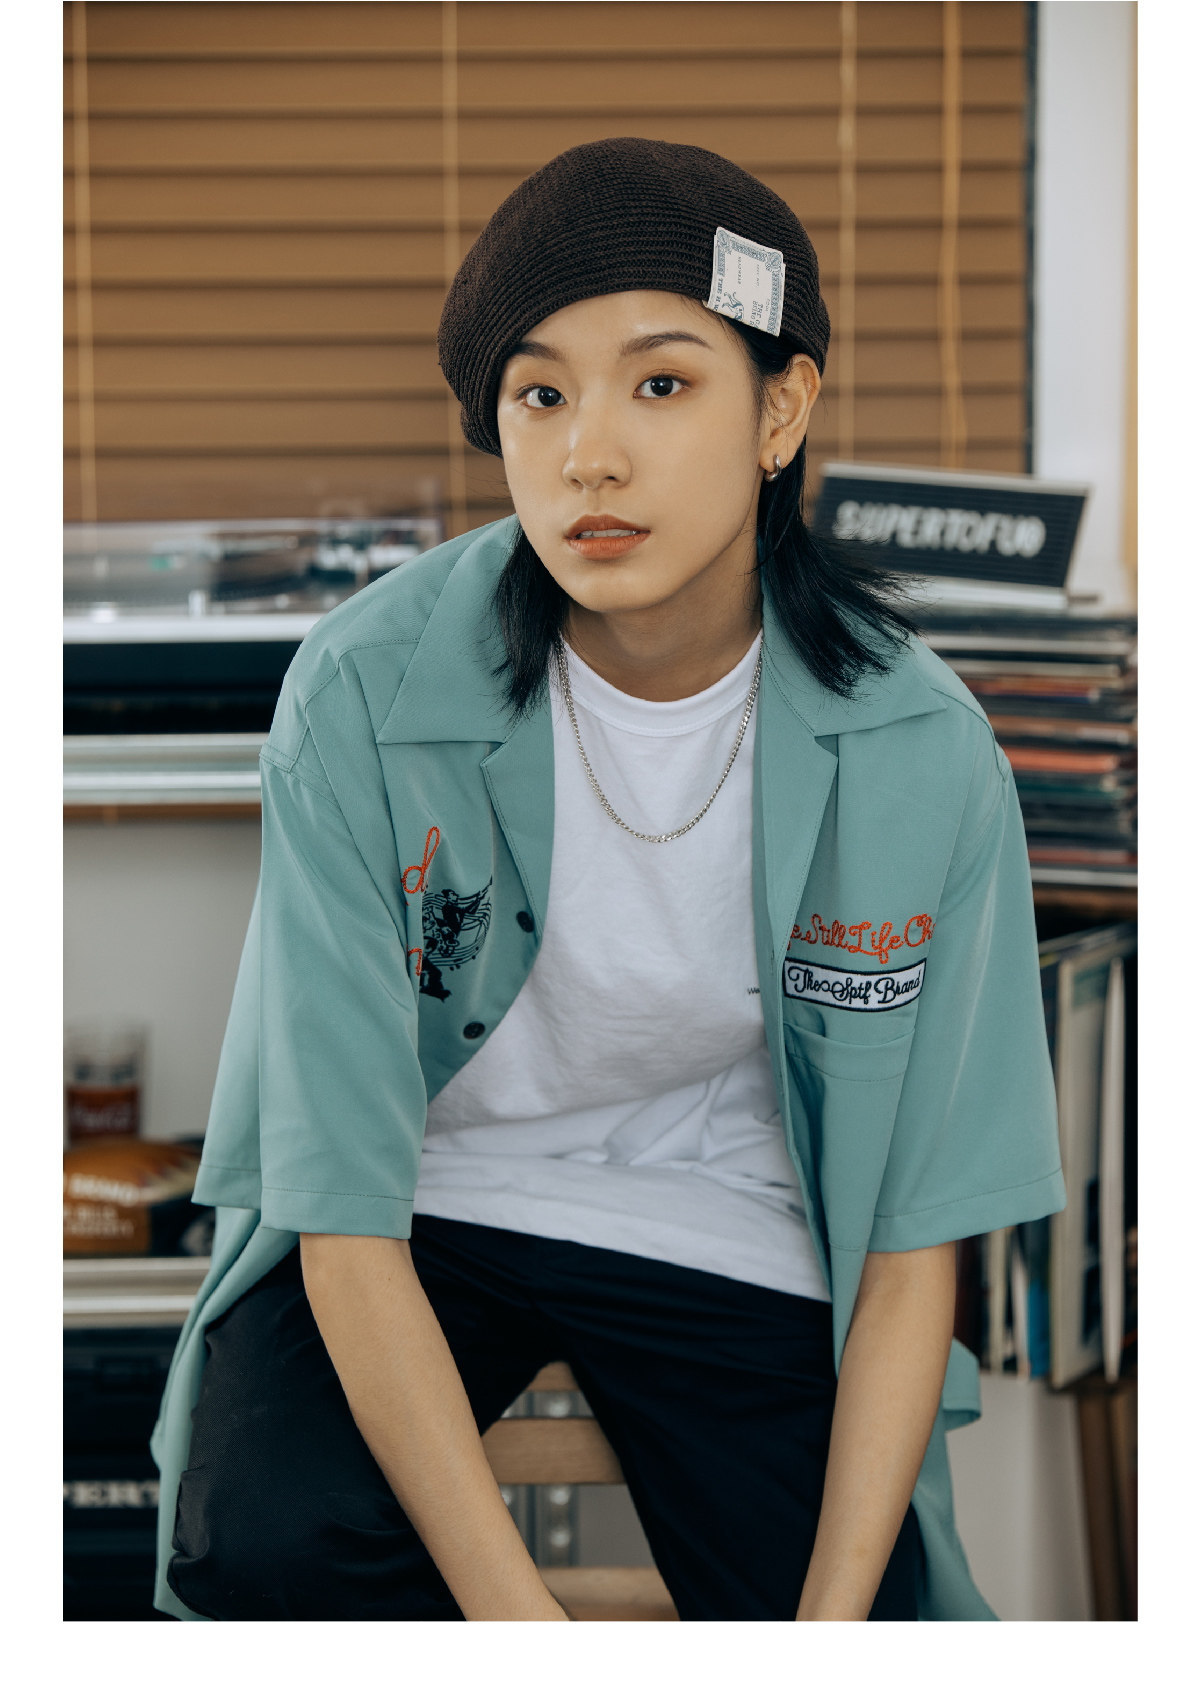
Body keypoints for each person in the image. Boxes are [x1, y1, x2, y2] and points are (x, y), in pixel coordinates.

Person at [151, 138, 1066, 1622]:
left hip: (732, 1210)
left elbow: (913, 1247)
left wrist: (829, 1636)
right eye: (540, 395)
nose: (590, 453)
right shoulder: (362, 690)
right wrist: (527, 1629)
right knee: (268, 1548)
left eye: (661, 384)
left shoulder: (919, 747)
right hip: (424, 1201)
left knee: (872, 1605)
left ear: (781, 409)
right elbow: (340, 1205)